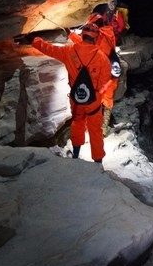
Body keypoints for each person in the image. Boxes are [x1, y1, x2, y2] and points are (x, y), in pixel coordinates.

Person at [22, 25, 113, 165]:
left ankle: (76, 155)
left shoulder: (70, 51)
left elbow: (50, 49)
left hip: (76, 99)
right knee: (95, 130)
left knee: (77, 124)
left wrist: (35, 40)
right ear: (95, 38)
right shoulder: (102, 58)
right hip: (94, 101)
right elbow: (105, 81)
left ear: (82, 35)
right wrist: (97, 92)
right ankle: (98, 161)